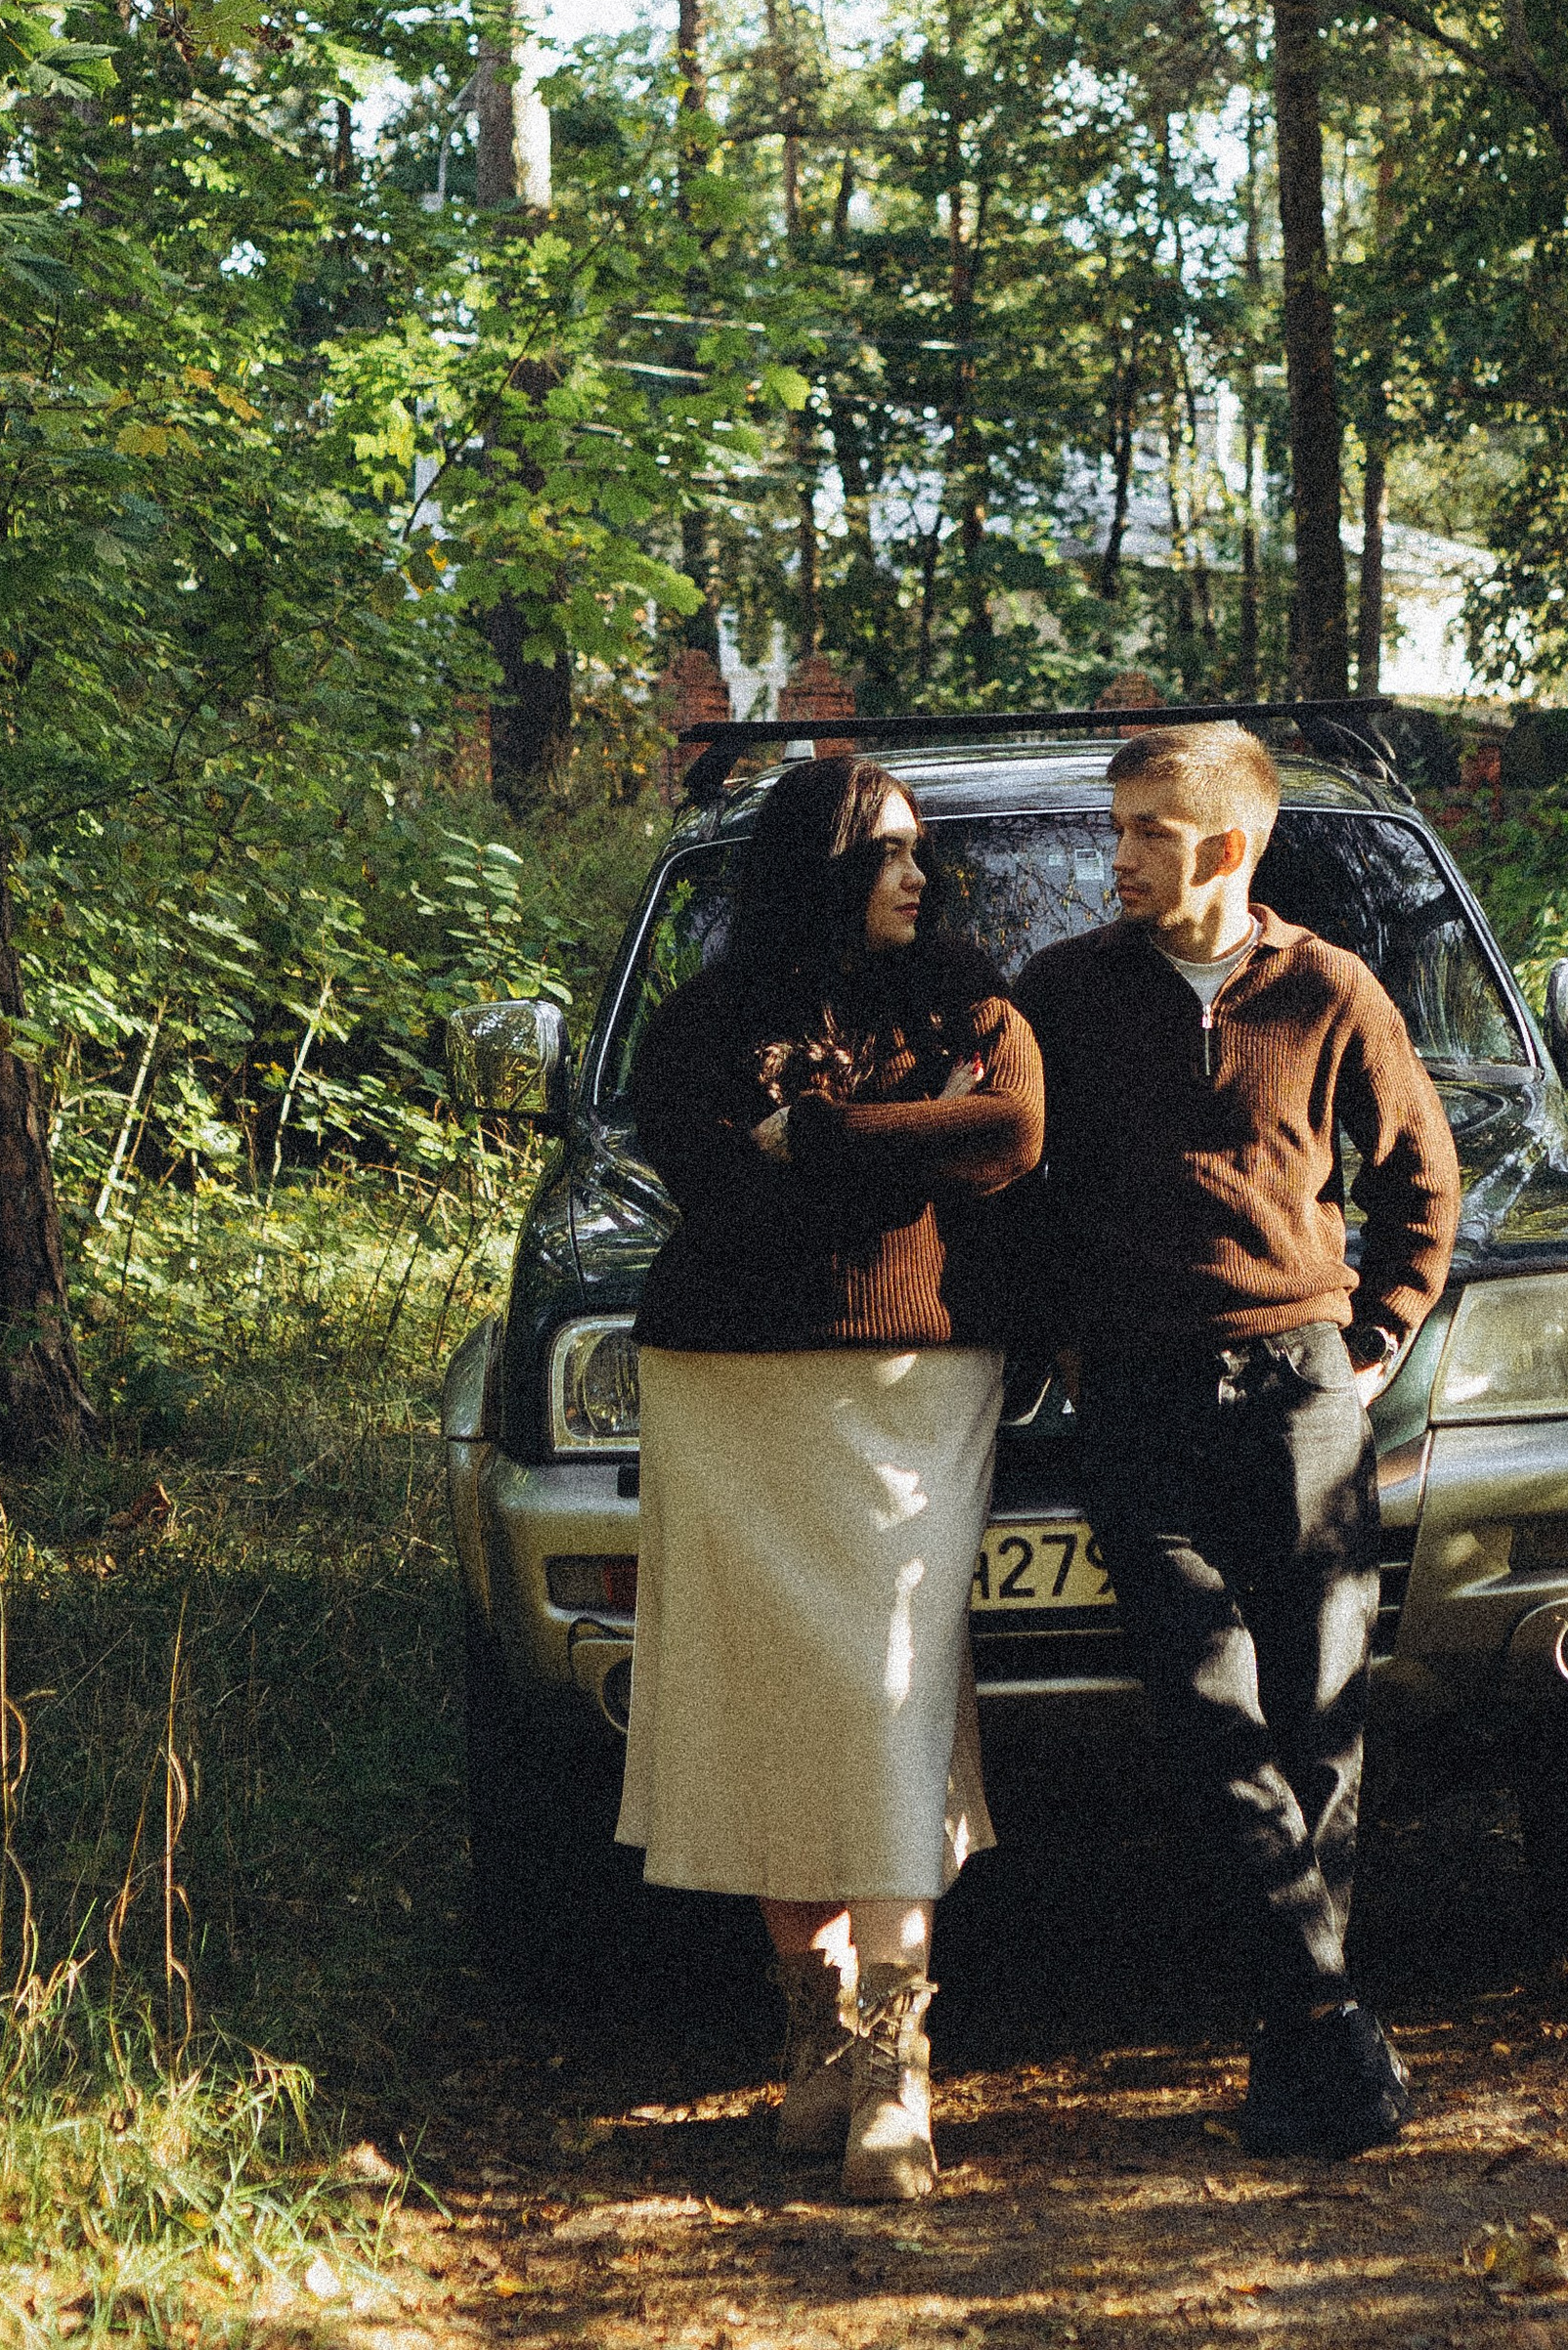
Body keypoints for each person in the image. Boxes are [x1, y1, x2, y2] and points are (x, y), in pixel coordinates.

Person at [1015, 720, 1460, 2159]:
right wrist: (1064, 1340)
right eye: (1121, 827)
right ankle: (1332, 2014)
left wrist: (1377, 1334)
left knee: (1322, 1719)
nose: (1120, 856)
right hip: (1136, 1398)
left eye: (1148, 830)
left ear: (1226, 845)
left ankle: (1296, 2048)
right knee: (1212, 1719)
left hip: (1298, 1394)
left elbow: (1419, 1182)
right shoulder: (1064, 995)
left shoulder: (1331, 991)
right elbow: (1016, 1191)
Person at [617, 753, 1044, 2201]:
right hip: (724, 1388)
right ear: (822, 868)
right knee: (764, 1710)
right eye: (889, 856)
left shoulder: (971, 1006)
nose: (917, 879)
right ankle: (814, 2052)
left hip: (911, 1389)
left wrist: (821, 1133)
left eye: (919, 855)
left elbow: (1011, 1136)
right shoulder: (698, 1023)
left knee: (887, 1701)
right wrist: (897, 1157)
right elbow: (720, 1195)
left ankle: (892, 2074)